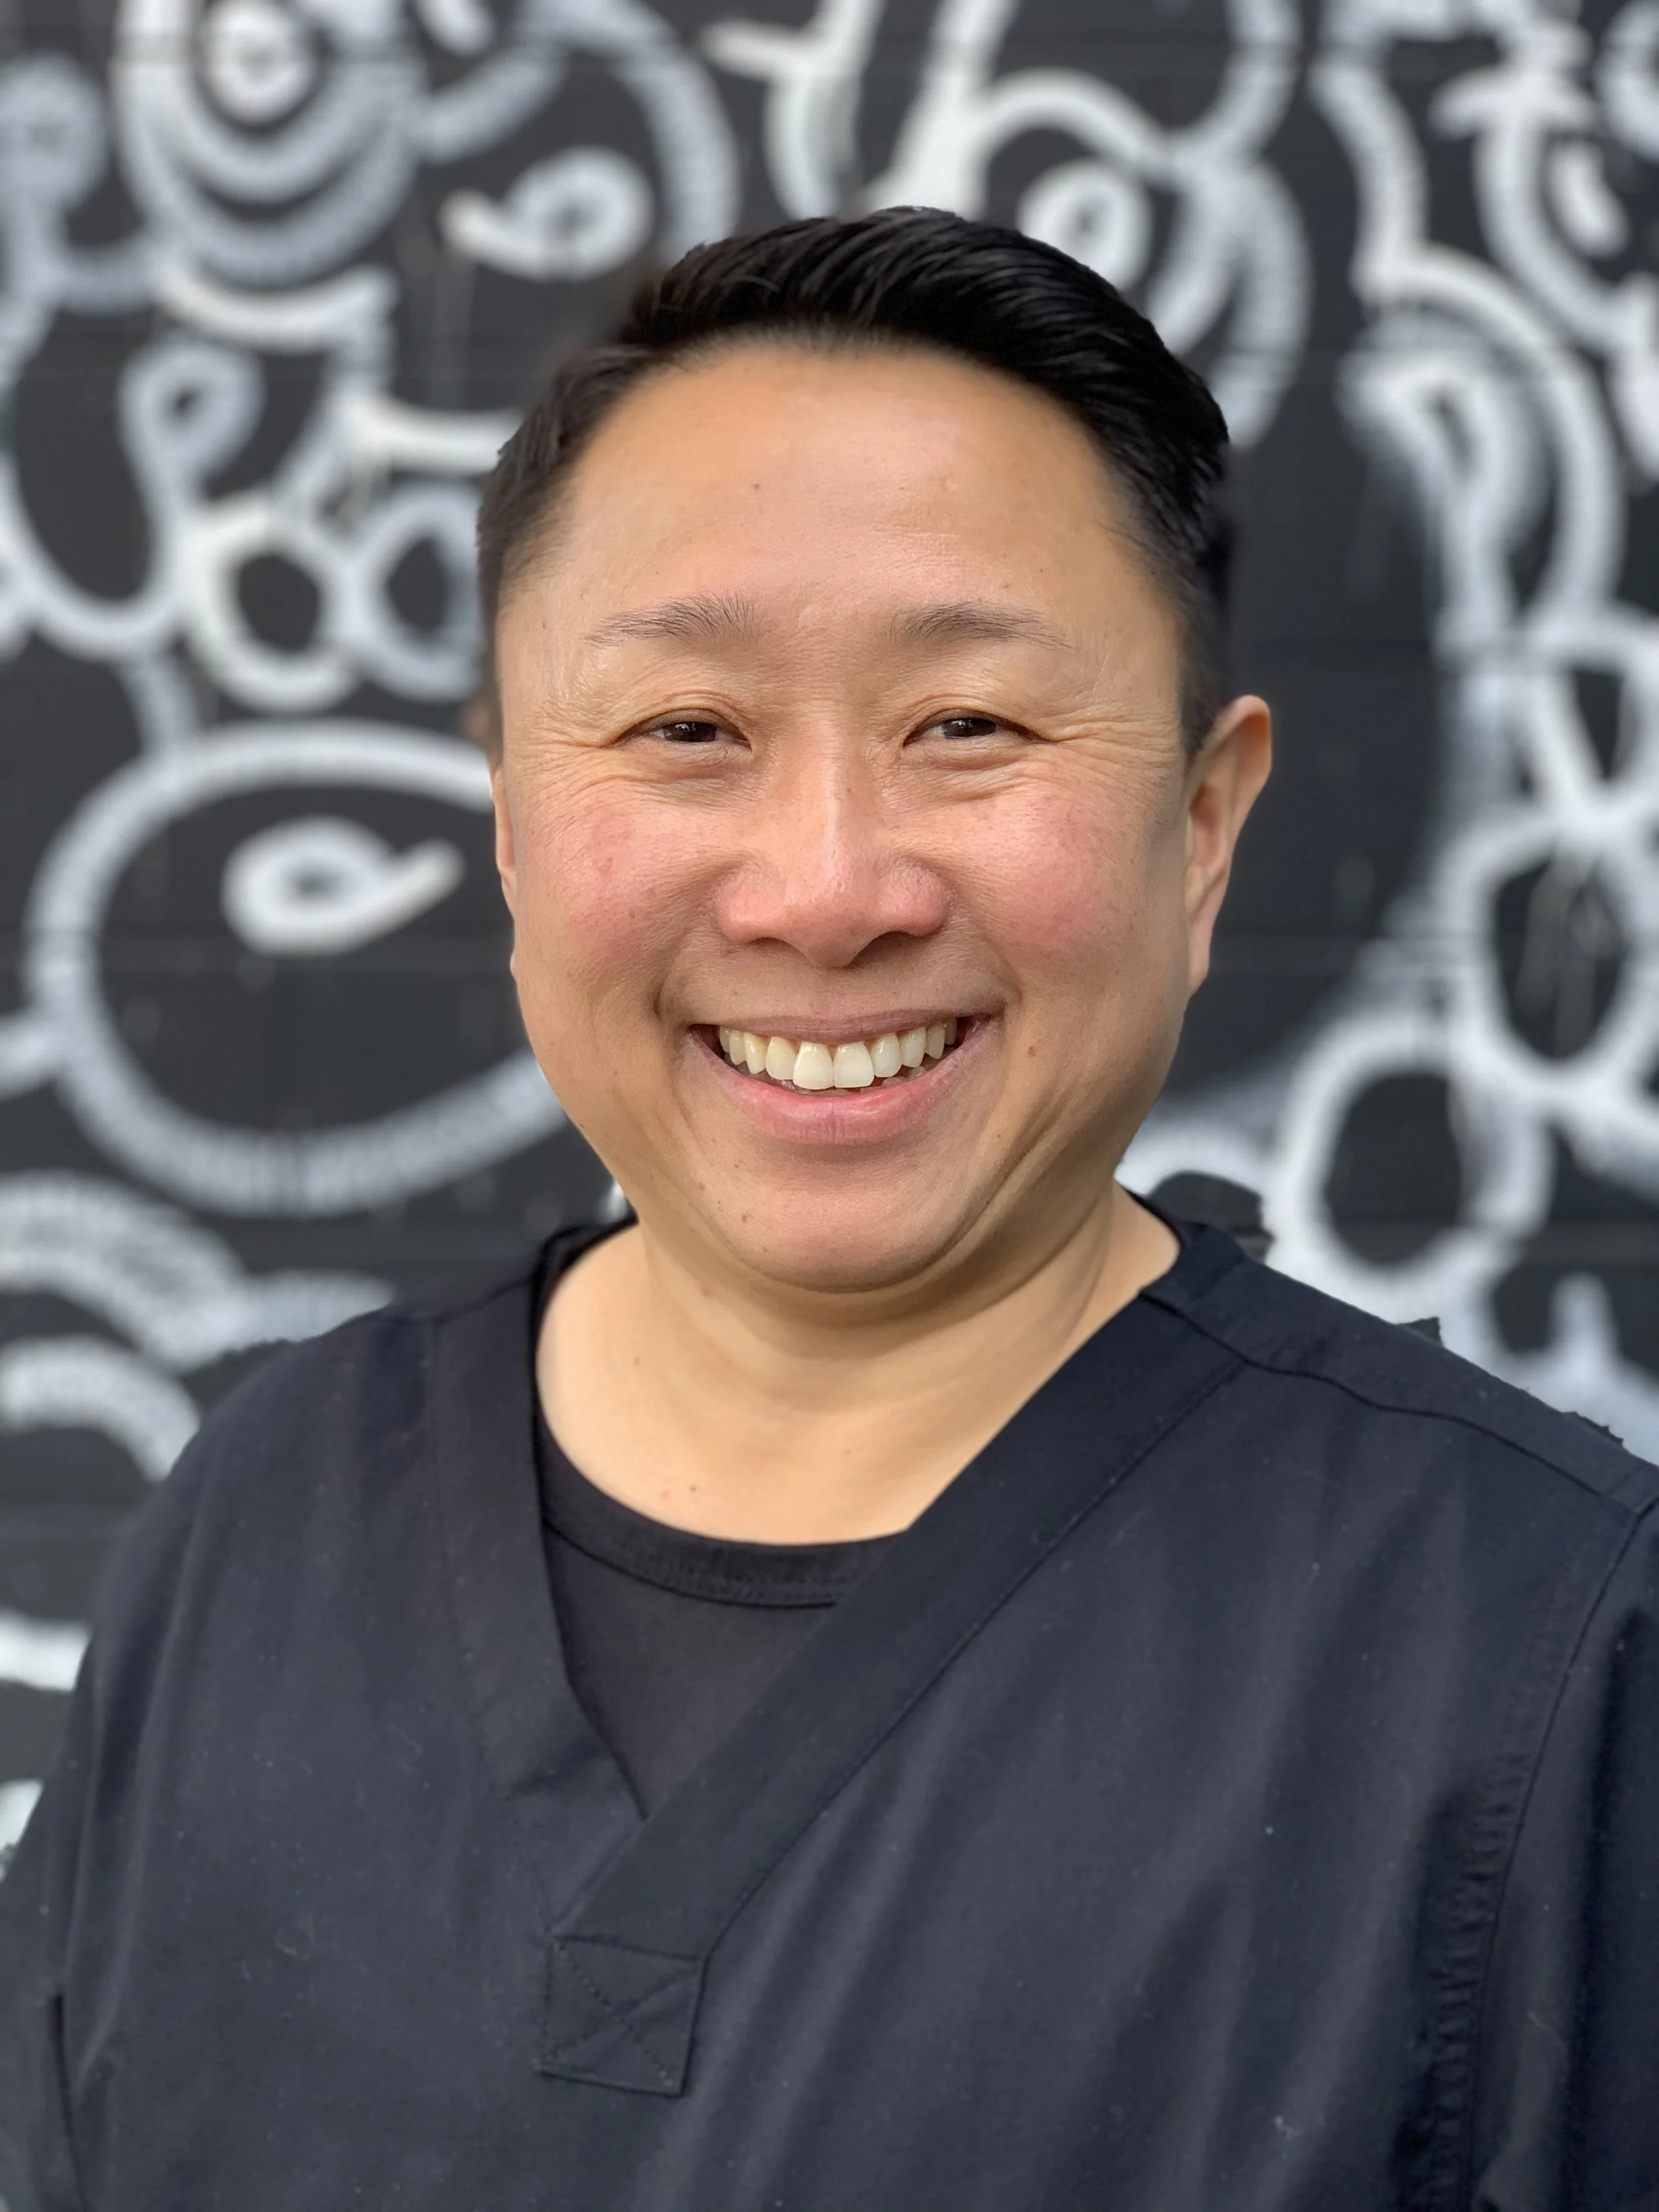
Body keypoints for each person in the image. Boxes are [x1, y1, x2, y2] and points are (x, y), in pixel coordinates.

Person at [1, 208, 1654, 2212]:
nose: (824, 887)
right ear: (513, 816)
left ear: (1202, 826)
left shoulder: (1534, 1654)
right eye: (687, 730)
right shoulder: (266, 1517)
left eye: (965, 727)